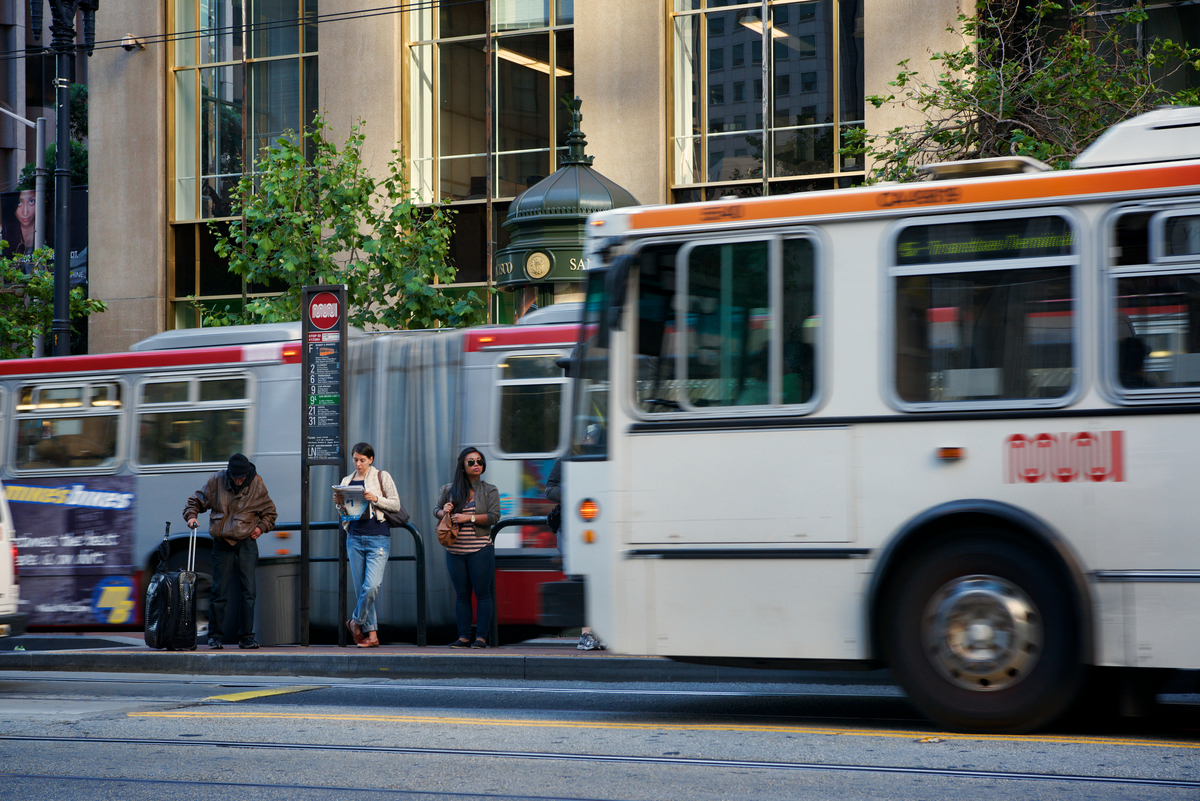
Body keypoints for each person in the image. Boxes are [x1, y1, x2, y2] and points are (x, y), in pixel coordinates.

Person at [183, 453, 277, 650]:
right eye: (235, 477)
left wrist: (260, 528)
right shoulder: (217, 480)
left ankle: (247, 637)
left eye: (241, 477)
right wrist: (191, 516)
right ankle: (215, 636)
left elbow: (270, 512)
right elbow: (195, 501)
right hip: (221, 541)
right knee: (218, 591)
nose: (238, 480)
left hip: (247, 542)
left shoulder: (256, 484)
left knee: (248, 592)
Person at [335, 442, 405, 648]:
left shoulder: (382, 476)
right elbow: (345, 512)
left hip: (378, 538)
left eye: (362, 460)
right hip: (355, 538)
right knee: (361, 589)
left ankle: (355, 621)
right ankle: (372, 636)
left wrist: (375, 498)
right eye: (355, 460)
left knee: (371, 586)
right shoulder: (347, 480)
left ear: (371, 459)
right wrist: (339, 502)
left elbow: (395, 504)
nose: (358, 464)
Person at [435, 447, 500, 649]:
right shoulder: (449, 490)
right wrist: (442, 511)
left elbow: (494, 517)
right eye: (471, 462)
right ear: (463, 466)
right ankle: (463, 637)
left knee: (482, 594)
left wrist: (468, 518)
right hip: (455, 551)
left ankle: (481, 637)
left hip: (480, 549)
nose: (476, 465)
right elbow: (435, 511)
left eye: (479, 461)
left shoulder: (489, 490)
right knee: (462, 595)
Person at [545, 458, 604, 651]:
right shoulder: (567, 458)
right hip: (571, 525)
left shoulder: (605, 453)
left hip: (598, 523)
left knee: (599, 578)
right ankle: (586, 634)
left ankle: (597, 632)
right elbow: (550, 489)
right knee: (580, 578)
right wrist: (574, 492)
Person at [3, 189, 36, 257]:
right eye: (19, 203)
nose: (25, 212)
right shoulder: (4, 234)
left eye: (31, 201)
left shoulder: (51, 233)